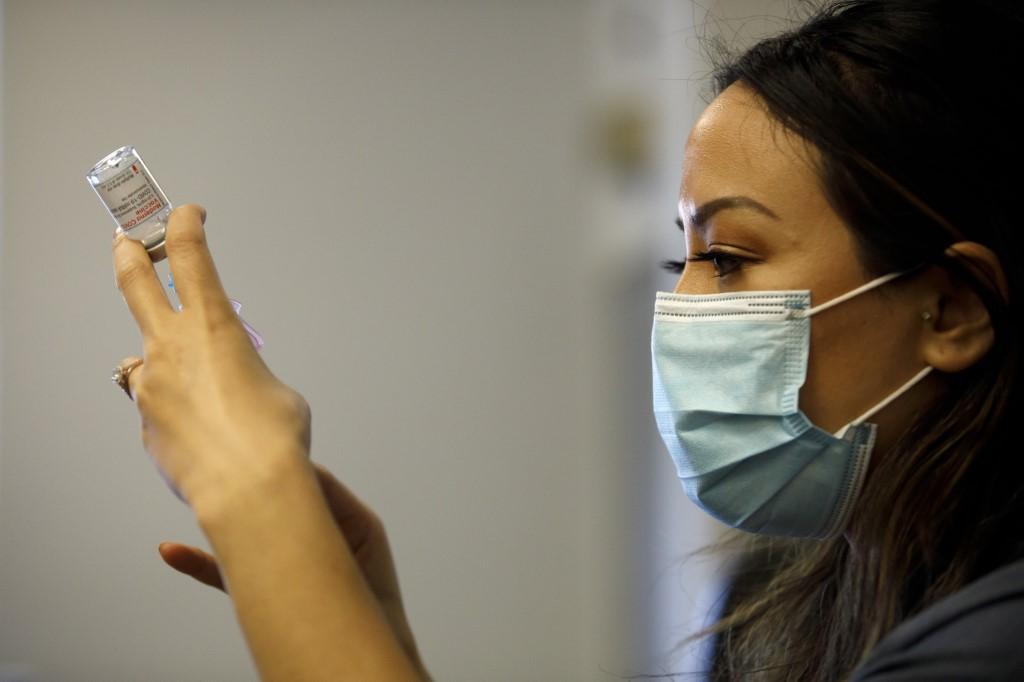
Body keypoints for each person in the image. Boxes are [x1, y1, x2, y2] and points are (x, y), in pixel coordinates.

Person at [109, 0, 1024, 680]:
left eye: (734, 258)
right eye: (683, 263)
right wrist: (374, 632)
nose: (687, 309)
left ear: (949, 310)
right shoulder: (774, 610)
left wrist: (254, 487)